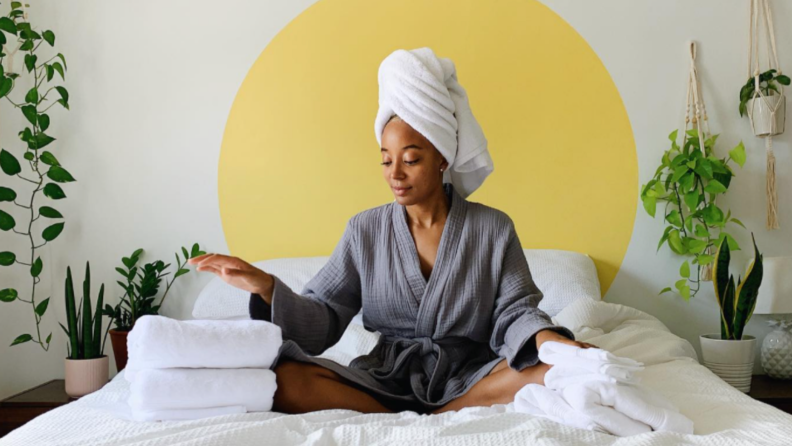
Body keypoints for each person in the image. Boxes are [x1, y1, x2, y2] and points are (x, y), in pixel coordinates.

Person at [189, 48, 596, 416]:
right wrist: (267, 288)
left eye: (411, 159)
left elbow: (516, 312)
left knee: (550, 369)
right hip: (384, 379)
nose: (395, 174)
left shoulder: (492, 228)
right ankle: (407, 416)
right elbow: (326, 313)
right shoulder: (364, 230)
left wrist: (550, 344)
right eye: (385, 161)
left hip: (471, 374)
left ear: (441, 157)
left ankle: (446, 408)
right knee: (286, 380)